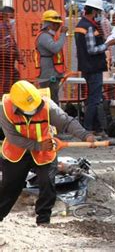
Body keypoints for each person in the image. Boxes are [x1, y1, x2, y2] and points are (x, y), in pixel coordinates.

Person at [0, 80, 96, 225]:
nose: (34, 109)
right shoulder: (4, 108)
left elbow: (66, 122)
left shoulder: (46, 104)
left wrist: (85, 135)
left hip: (45, 151)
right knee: (10, 187)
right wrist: (37, 145)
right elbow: (12, 137)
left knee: (47, 184)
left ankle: (43, 221)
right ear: (16, 104)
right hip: (17, 152)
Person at [74, 0, 115, 139]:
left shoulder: (81, 25)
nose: (99, 15)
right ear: (93, 11)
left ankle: (98, 128)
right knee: (94, 99)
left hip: (87, 67)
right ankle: (87, 129)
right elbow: (92, 49)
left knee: (95, 98)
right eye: (98, 12)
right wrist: (108, 44)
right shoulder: (89, 27)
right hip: (93, 67)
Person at [35, 10, 67, 104]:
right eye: (55, 24)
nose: (58, 27)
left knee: (53, 99)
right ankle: (52, 118)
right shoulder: (44, 36)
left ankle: (53, 117)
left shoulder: (49, 36)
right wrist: (63, 34)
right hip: (48, 75)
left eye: (58, 24)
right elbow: (55, 48)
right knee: (51, 101)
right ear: (48, 24)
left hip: (52, 74)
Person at [0, 7, 20, 97]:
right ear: (4, 16)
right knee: (5, 90)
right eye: (11, 17)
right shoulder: (1, 28)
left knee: (15, 82)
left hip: (10, 67)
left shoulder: (8, 28)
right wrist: (4, 48)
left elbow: (13, 44)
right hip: (3, 67)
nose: (12, 20)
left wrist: (19, 57)